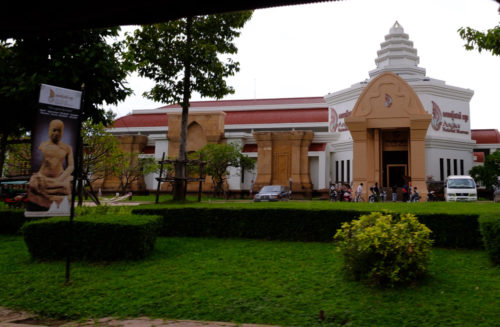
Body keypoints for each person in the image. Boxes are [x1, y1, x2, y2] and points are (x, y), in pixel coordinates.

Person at [27, 119, 74, 211]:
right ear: (49, 131)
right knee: (34, 183)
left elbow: (71, 166)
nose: (56, 133)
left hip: (59, 180)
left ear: (62, 132)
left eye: (59, 131)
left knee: (67, 187)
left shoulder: (67, 148)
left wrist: (60, 179)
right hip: (43, 178)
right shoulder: (43, 145)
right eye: (54, 130)